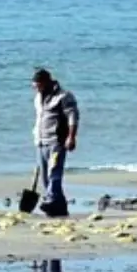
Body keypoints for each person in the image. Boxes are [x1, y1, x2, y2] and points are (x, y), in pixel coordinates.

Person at [32, 68, 80, 217]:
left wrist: (71, 137)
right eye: (34, 85)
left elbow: (73, 117)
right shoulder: (38, 98)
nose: (36, 87)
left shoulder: (63, 96)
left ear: (47, 82)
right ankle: (59, 208)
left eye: (38, 84)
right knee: (45, 177)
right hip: (41, 141)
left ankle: (51, 200)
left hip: (57, 141)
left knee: (54, 172)